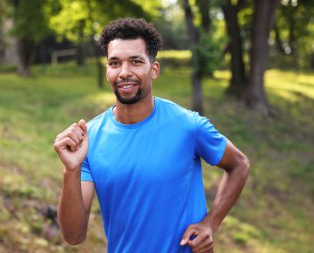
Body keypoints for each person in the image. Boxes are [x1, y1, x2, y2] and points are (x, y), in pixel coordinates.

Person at [53, 18, 250, 253]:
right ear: (107, 70)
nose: (124, 72)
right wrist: (71, 170)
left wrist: (211, 223)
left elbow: (239, 164)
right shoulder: (89, 139)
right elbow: (73, 236)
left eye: (135, 62)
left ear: (153, 69)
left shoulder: (188, 125)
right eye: (115, 63)